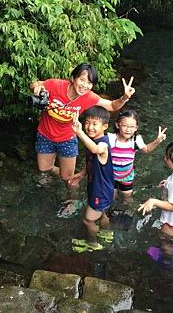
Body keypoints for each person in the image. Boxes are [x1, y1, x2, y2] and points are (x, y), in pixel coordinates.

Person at [29, 63, 135, 193]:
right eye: (82, 80)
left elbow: (112, 106)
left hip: (67, 139)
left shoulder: (88, 97)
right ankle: (66, 174)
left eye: (89, 83)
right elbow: (34, 84)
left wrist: (124, 97)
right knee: (44, 168)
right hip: (45, 135)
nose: (85, 85)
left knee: (67, 178)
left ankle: (72, 198)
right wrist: (36, 88)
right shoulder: (55, 85)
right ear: (73, 78)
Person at [69, 106, 114, 252]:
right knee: (102, 213)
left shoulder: (102, 144)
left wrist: (80, 133)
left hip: (100, 191)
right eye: (87, 123)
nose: (90, 127)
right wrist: (83, 173)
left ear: (105, 126)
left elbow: (97, 150)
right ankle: (106, 233)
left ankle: (92, 244)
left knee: (88, 220)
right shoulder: (94, 141)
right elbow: (92, 160)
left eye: (95, 124)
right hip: (103, 188)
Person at [108, 110, 167, 205]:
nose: (128, 129)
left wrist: (157, 141)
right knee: (110, 198)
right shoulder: (111, 138)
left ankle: (128, 211)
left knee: (127, 198)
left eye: (132, 127)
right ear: (117, 125)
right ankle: (109, 211)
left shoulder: (136, 140)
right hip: (110, 176)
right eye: (125, 125)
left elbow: (147, 149)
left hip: (127, 177)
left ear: (136, 128)